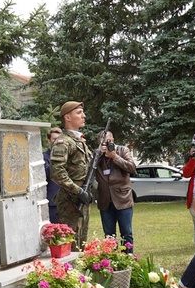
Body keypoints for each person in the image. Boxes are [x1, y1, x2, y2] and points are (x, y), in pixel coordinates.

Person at [50, 101, 93, 251]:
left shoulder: (79, 141)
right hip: (70, 199)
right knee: (70, 245)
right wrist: (78, 191)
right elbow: (57, 173)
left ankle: (79, 273)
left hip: (82, 196)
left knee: (81, 241)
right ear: (67, 117)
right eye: (79, 113)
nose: (83, 116)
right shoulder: (63, 142)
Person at [94, 131, 137, 250]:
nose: (106, 145)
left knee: (126, 233)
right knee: (109, 236)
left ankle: (128, 259)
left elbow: (132, 168)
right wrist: (98, 155)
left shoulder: (123, 150)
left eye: (108, 142)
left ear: (113, 140)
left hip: (123, 199)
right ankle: (112, 262)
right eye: (102, 143)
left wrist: (114, 156)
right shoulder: (98, 155)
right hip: (105, 200)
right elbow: (89, 169)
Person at [43, 127, 63, 223]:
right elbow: (45, 175)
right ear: (49, 141)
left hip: (67, 202)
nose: (57, 142)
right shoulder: (44, 157)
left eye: (59, 139)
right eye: (54, 139)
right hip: (53, 202)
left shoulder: (68, 156)